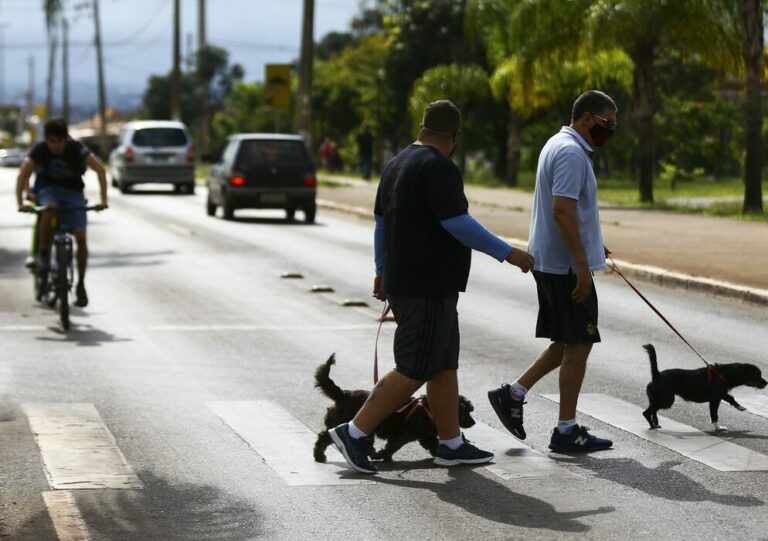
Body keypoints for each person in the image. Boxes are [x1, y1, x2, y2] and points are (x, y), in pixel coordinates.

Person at [330, 100, 534, 474]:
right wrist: (508, 253)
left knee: (443, 365)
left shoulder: (396, 163)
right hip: (426, 285)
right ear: (454, 137)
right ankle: (355, 432)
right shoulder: (439, 168)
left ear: (423, 128)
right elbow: (457, 222)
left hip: (413, 283)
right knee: (414, 368)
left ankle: (451, 443)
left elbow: (381, 223)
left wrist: (381, 269)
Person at [487, 90, 617, 452]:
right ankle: (566, 430)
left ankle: (513, 394)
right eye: (608, 124)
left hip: (554, 260)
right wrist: (581, 264)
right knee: (580, 343)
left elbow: (569, 212)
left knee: (566, 339)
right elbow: (561, 211)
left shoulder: (558, 144)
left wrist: (591, 246)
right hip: (563, 267)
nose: (610, 131)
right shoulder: (572, 153)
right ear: (588, 118)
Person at [16, 118, 108, 308]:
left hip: (73, 193)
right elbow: (23, 174)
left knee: (81, 236)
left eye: (59, 141)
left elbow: (99, 169)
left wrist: (103, 200)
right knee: (48, 210)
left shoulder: (77, 149)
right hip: (49, 190)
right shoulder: (40, 150)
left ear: (66, 139)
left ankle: (81, 284)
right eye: (52, 141)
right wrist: (21, 202)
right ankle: (42, 254)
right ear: (46, 140)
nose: (56, 145)